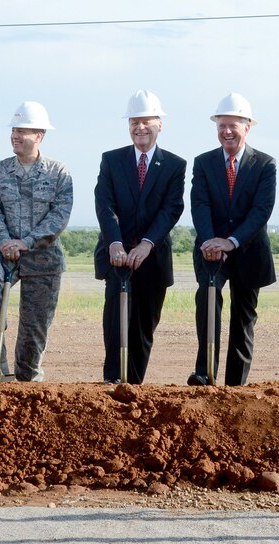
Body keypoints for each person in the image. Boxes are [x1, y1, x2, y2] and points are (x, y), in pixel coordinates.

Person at [0, 101, 74, 382]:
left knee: (31, 341)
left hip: (43, 258)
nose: (15, 136)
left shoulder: (58, 173)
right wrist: (5, 242)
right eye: (14, 130)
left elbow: (59, 217)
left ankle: (28, 373)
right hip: (3, 253)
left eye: (22, 131)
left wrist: (27, 242)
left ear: (39, 136)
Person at [94, 90, 186, 384]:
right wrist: (116, 242)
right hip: (117, 257)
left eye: (147, 122)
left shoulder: (174, 165)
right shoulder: (112, 160)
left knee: (143, 330)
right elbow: (104, 203)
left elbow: (171, 209)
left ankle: (133, 388)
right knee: (115, 326)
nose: (140, 128)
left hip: (153, 258)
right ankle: (111, 384)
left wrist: (147, 244)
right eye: (134, 122)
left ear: (160, 124)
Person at [187, 93, 276, 386]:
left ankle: (235, 386)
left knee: (244, 317)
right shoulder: (203, 163)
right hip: (210, 249)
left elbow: (261, 211)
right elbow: (199, 204)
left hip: (249, 250)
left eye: (233, 125)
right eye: (221, 125)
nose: (226, 131)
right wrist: (211, 241)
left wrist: (232, 241)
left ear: (247, 127)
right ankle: (205, 373)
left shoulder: (265, 164)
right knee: (207, 299)